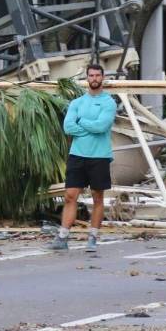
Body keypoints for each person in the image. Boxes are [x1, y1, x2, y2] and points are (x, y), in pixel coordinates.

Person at [50, 63, 116, 254]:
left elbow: (101, 127)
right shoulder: (77, 103)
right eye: (91, 75)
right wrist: (89, 126)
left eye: (97, 75)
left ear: (102, 78)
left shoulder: (108, 102)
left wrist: (83, 122)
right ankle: (63, 237)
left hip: (99, 156)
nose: (94, 78)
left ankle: (93, 237)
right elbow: (68, 127)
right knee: (70, 196)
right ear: (87, 78)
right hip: (77, 155)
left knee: (97, 197)